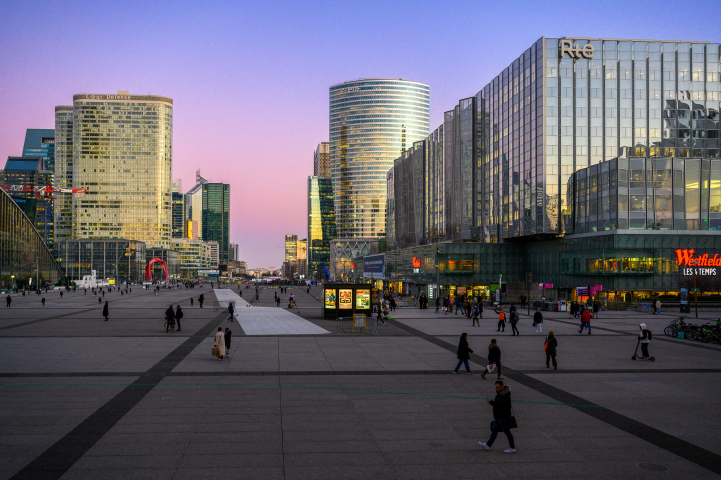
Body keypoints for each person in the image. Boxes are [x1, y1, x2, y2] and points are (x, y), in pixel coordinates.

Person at [479, 380, 516, 453]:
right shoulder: (501, 393)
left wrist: (491, 402)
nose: (496, 389)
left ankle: (512, 447)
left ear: (502, 387)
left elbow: (501, 405)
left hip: (503, 416)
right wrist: (491, 402)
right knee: (494, 431)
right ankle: (488, 444)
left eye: (498, 388)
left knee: (507, 432)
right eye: (496, 387)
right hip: (498, 416)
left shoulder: (506, 395)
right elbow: (498, 403)